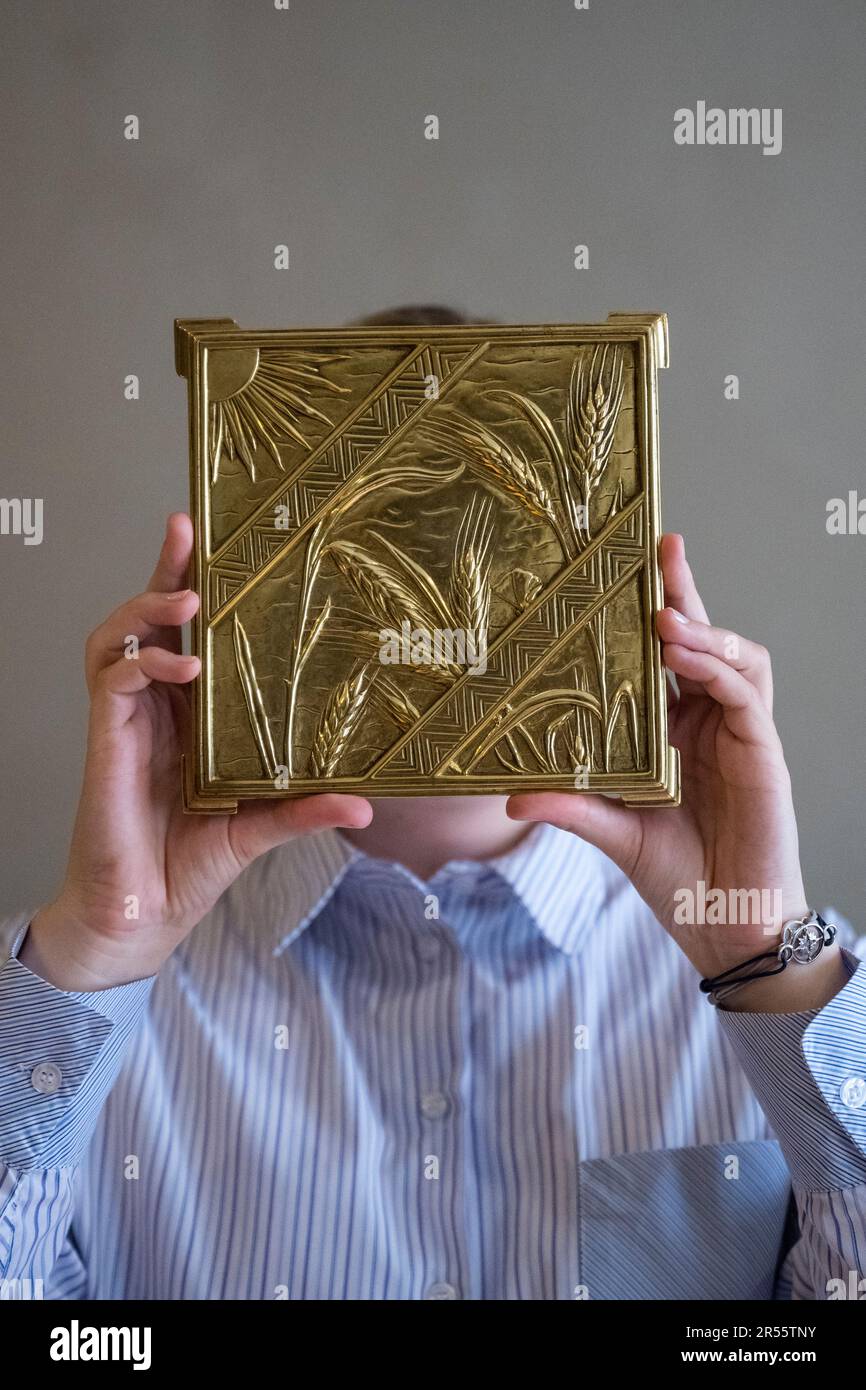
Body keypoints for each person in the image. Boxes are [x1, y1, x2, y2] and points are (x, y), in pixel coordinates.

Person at [1, 307, 864, 1302]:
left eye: (484, 544)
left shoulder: (798, 984)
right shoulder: (70, 995)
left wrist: (762, 957)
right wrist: (99, 952)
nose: (438, 617)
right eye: (387, 544)